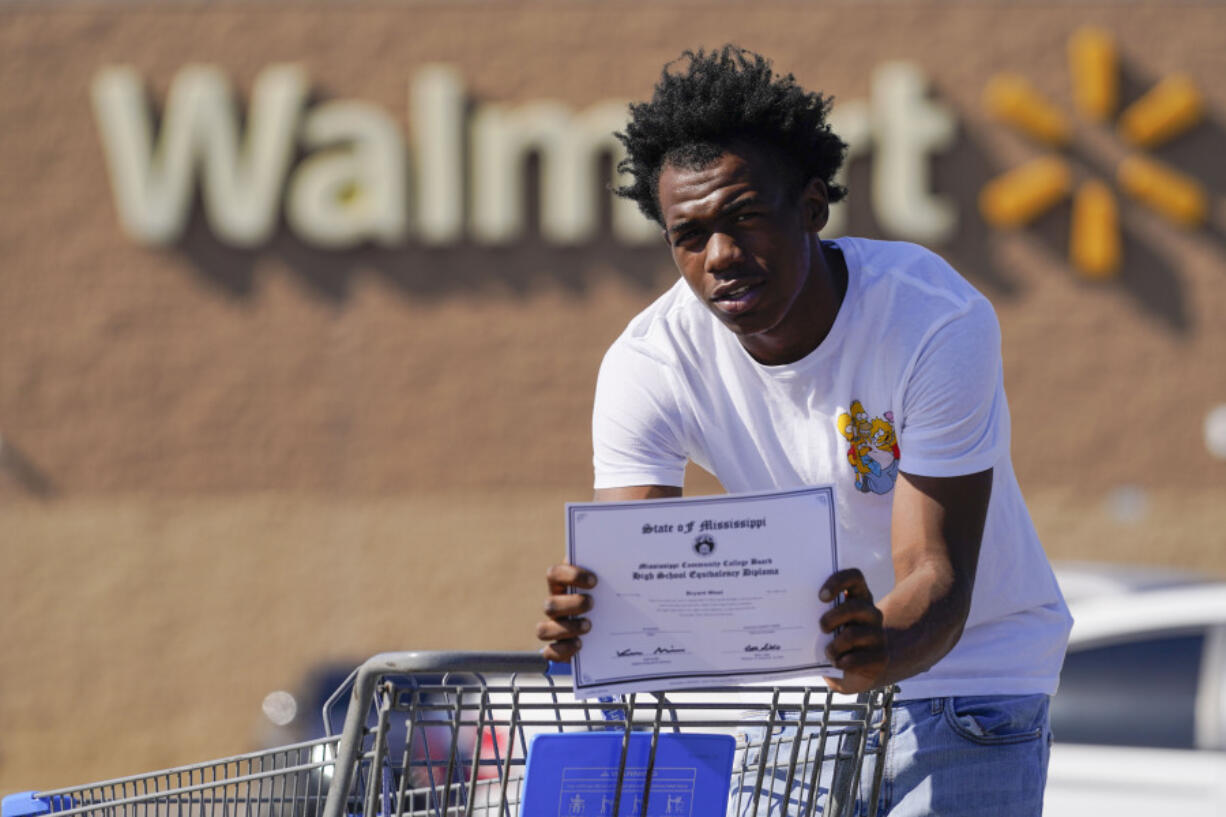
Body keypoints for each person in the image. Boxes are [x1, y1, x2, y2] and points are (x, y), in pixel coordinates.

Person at [535, 46, 1071, 816]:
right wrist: (595, 612)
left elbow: (934, 570)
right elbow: (636, 554)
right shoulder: (650, 360)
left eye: (745, 216)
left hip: (970, 675)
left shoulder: (931, 318)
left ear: (814, 207)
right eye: (689, 234)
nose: (720, 255)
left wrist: (871, 646)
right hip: (793, 688)